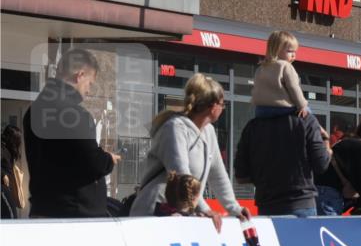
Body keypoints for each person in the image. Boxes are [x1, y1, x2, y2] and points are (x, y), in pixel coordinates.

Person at [132, 74, 248, 229]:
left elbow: (218, 176)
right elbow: (181, 174)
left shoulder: (209, 131)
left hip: (180, 213)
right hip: (155, 211)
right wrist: (205, 209)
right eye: (222, 104)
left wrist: (235, 209)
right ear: (213, 107)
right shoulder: (175, 128)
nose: (223, 108)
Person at [23, 48, 121, 218]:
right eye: (90, 83)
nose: (89, 91)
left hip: (42, 210)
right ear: (80, 75)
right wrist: (108, 159)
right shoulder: (73, 115)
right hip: (72, 216)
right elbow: (92, 162)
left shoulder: (33, 111)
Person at [234, 96, 330, 218]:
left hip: (267, 206)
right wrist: (326, 141)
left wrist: (263, 177)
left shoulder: (252, 127)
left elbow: (241, 177)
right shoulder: (307, 121)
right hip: (301, 204)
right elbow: (321, 165)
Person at [251, 31, 310, 119]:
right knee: (309, 112)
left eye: (295, 52)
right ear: (277, 50)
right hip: (282, 109)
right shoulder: (285, 66)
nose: (293, 55)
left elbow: (257, 88)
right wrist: (302, 105)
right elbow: (294, 88)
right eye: (290, 51)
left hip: (261, 110)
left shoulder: (261, 68)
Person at [1, 125, 25, 219]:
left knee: (7, 216)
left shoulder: (8, 148)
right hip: (2, 187)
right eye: (17, 139)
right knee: (12, 216)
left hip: (6, 186)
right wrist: (2, 175)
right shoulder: (2, 148)